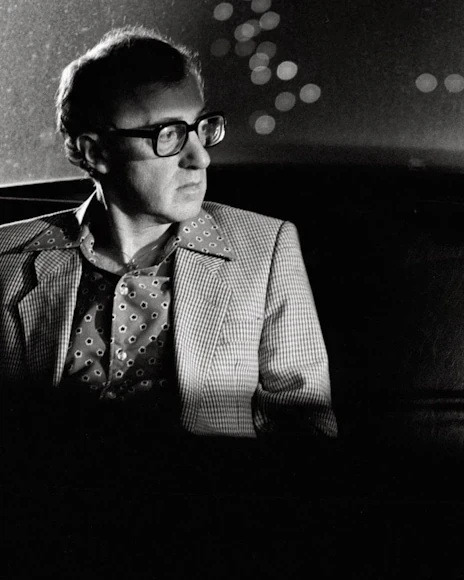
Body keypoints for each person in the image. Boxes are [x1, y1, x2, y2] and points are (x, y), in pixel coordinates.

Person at [0, 26, 336, 441]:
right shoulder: (7, 260)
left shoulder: (266, 248)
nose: (200, 157)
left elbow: (306, 430)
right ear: (96, 152)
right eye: (169, 134)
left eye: (200, 128)